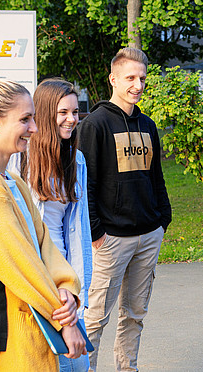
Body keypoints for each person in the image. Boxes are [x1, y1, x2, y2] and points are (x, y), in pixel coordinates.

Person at [0, 77, 87, 371]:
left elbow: (44, 246)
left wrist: (66, 289)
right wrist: (64, 320)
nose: (34, 128)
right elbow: (22, 265)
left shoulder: (12, 181)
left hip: (33, 335)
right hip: (12, 346)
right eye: (25, 119)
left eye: (33, 118)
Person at [76, 47, 172, 372]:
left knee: (134, 315)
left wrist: (163, 220)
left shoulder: (148, 125)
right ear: (113, 79)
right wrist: (96, 233)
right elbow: (84, 183)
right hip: (111, 239)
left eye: (142, 78)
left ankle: (127, 368)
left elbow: (155, 177)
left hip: (148, 235)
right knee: (96, 318)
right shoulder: (94, 125)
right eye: (130, 77)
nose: (138, 84)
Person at [7, 78, 92, 372]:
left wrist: (79, 286)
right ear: (44, 114)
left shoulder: (76, 160)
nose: (72, 119)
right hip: (34, 276)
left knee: (78, 364)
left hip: (64, 274)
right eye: (63, 113)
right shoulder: (17, 161)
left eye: (75, 112)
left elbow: (79, 231)